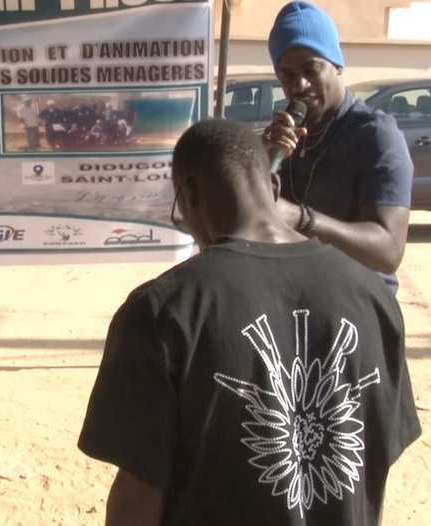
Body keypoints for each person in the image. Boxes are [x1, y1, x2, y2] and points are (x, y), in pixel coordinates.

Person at [78, 118, 420, 526]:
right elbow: (373, 457)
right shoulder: (374, 298)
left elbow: (137, 496)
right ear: (274, 188)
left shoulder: (161, 311)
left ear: (188, 196)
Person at [262, 1, 413, 294]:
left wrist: (302, 218)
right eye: (287, 75)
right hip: (297, 298)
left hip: (359, 303)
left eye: (311, 69)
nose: (300, 85)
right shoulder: (282, 137)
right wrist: (262, 167)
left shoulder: (375, 136)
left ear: (337, 65)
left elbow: (388, 251)